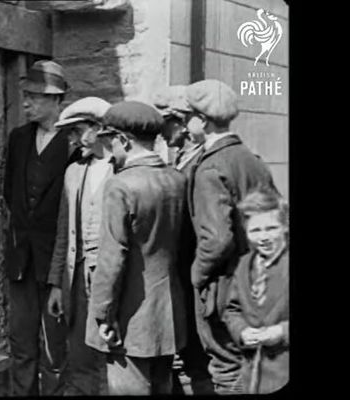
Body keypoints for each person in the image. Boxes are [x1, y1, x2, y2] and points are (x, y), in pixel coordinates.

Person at [86, 101, 188, 395]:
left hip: (130, 319)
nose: (111, 151)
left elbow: (111, 258)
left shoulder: (120, 185)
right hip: (168, 316)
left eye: (111, 142)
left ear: (123, 140)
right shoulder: (177, 179)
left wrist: (103, 316)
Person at [184, 79, 278, 394]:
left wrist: (196, 276)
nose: (185, 124)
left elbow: (216, 240)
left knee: (226, 369)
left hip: (224, 287)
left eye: (189, 117)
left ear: (203, 121)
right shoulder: (252, 160)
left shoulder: (211, 168)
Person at [3, 59, 73, 396]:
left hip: (56, 263)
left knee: (54, 350)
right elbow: (9, 193)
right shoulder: (19, 139)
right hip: (22, 260)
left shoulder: (74, 144)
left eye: (34, 96)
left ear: (57, 100)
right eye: (25, 95)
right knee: (21, 344)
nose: (26, 102)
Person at [46, 96, 113, 396]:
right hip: (76, 284)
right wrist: (56, 285)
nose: (72, 139)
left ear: (99, 128)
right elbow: (63, 232)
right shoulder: (74, 172)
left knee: (111, 363)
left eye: (77, 131)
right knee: (81, 358)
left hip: (111, 283)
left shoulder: (122, 169)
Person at [153, 86, 213, 395]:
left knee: (199, 359)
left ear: (184, 123)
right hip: (179, 275)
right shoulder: (179, 162)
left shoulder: (202, 165)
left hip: (195, 277)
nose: (161, 132)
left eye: (166, 123)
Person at [223, 189, 289, 394]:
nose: (264, 237)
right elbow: (231, 309)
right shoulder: (245, 265)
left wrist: (282, 332)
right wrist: (241, 331)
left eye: (271, 228)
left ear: (285, 227)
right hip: (254, 374)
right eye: (256, 230)